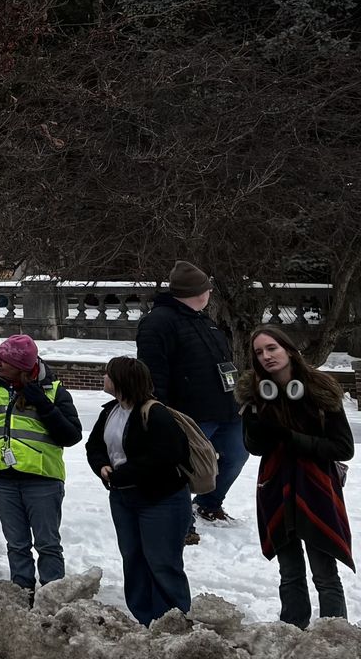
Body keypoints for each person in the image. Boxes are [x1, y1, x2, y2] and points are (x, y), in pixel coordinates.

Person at [237, 326, 353, 627]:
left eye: (271, 348)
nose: (266, 356)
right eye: (259, 352)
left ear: (288, 349)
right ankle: (291, 630)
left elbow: (343, 447)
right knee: (289, 573)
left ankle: (334, 634)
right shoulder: (254, 394)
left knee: (324, 571)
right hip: (275, 486)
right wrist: (253, 426)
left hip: (316, 487)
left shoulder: (320, 390)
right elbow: (254, 448)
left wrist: (291, 437)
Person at [0, 334, 83, 594]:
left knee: (48, 544)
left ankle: (53, 597)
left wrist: (43, 404)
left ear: (21, 366)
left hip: (42, 479)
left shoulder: (52, 390)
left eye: (4, 360)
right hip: (2, 479)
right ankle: (22, 593)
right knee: (16, 544)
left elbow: (72, 435)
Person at [135, 261, 244, 537]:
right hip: (187, 413)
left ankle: (208, 503)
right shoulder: (158, 322)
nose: (210, 293)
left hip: (224, 408)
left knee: (236, 453)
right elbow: (153, 372)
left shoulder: (203, 319)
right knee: (183, 468)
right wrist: (160, 412)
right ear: (198, 291)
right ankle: (182, 522)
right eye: (207, 288)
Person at [87, 355, 193, 625]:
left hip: (161, 499)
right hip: (123, 497)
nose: (104, 378)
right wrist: (102, 467)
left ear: (121, 380)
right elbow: (94, 446)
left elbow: (170, 454)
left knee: (162, 561)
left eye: (108, 374)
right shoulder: (110, 411)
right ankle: (144, 618)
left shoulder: (154, 412)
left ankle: (171, 621)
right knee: (133, 558)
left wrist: (123, 473)